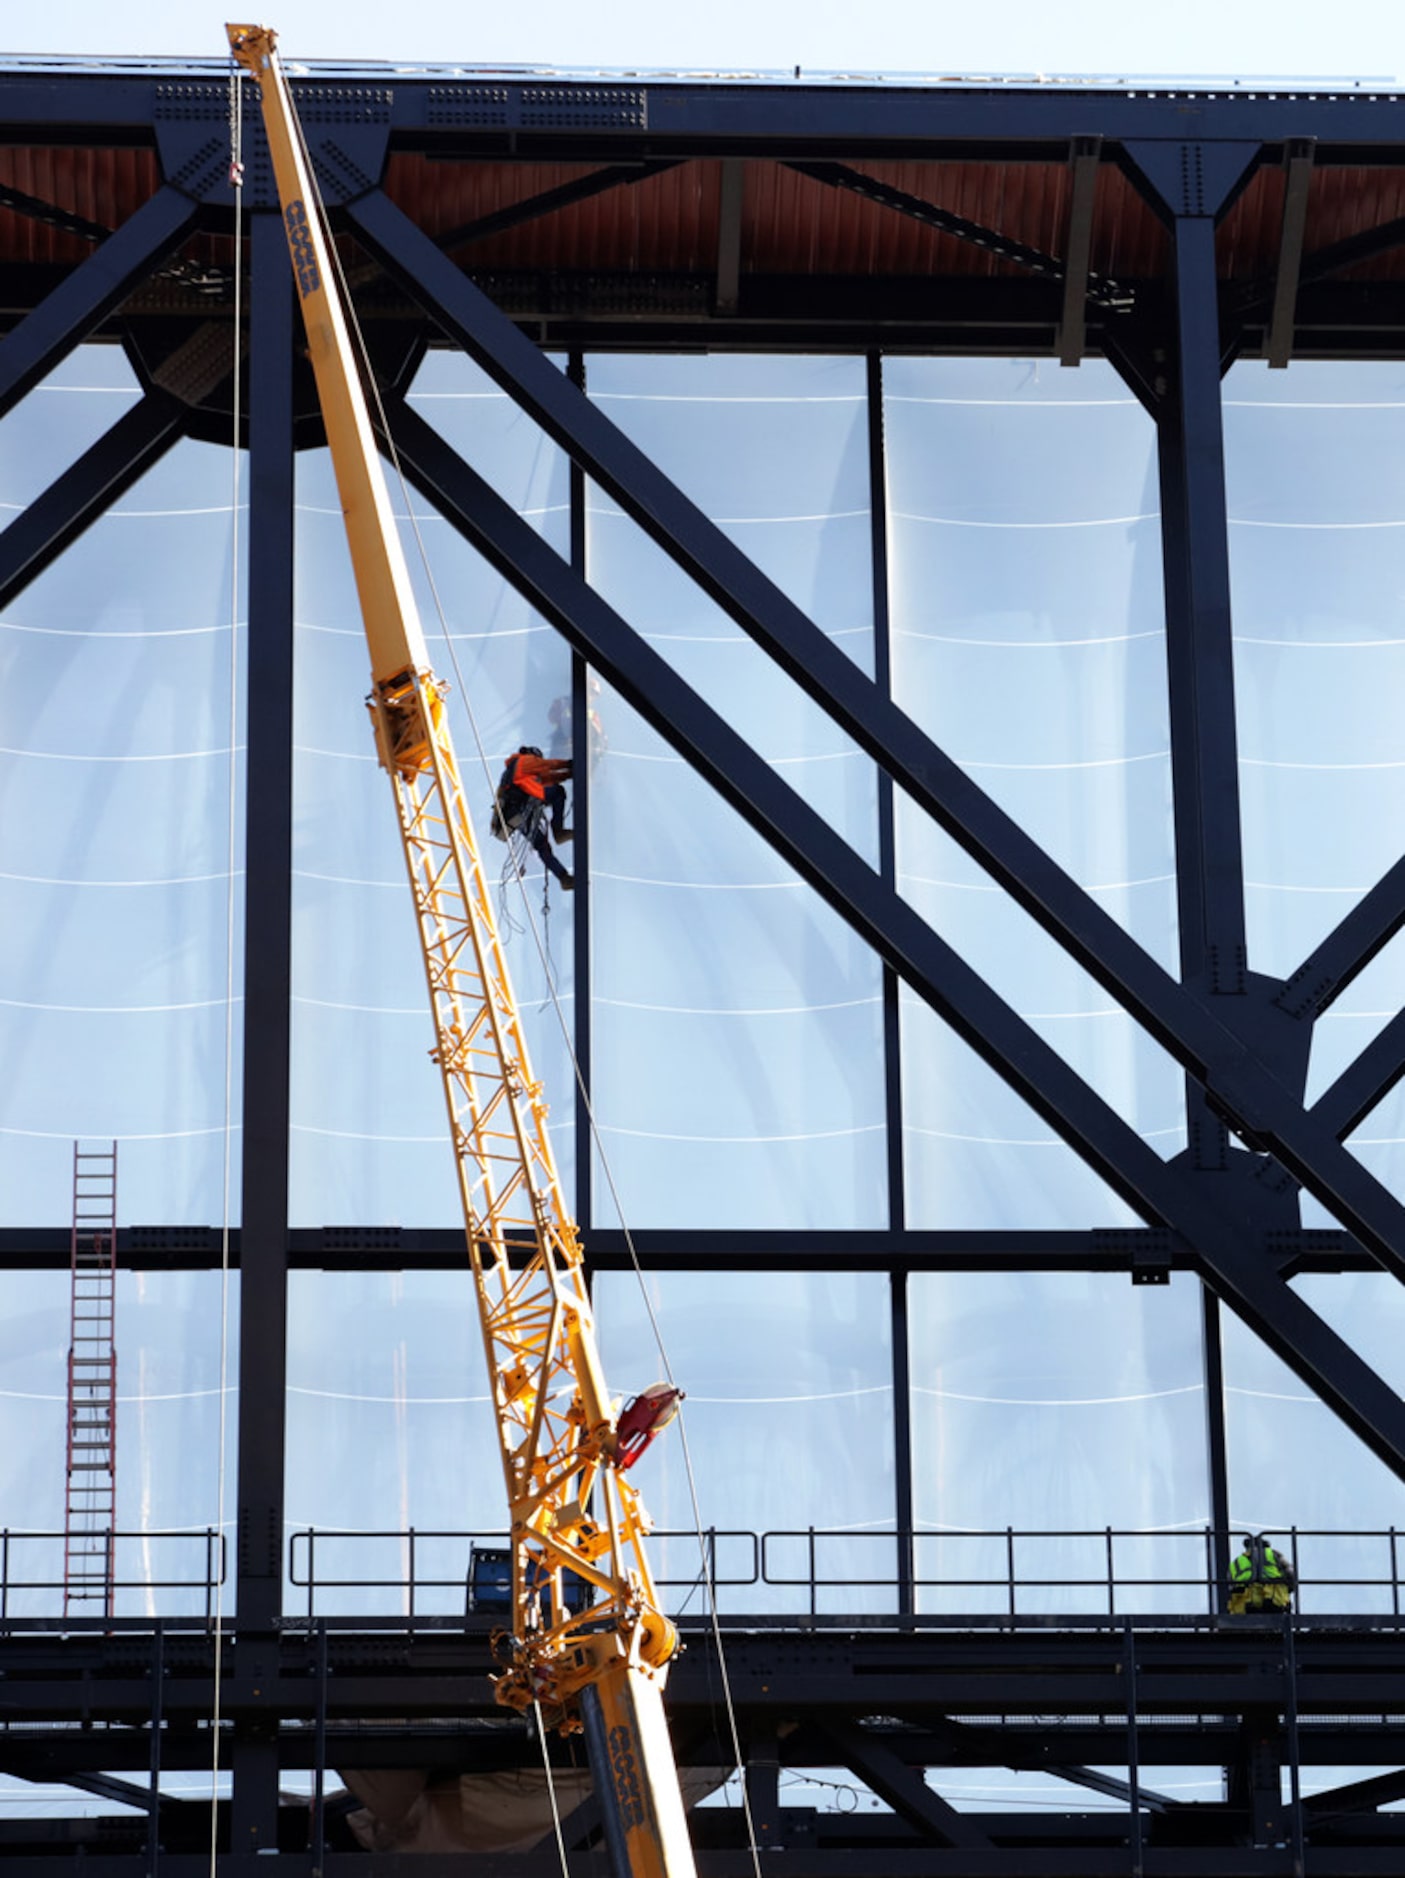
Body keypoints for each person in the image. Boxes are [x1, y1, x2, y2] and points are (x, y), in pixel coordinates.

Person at [491, 746, 574, 891]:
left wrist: (567, 774)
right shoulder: (524, 761)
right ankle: (558, 831)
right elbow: (548, 766)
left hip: (515, 815)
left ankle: (563, 878)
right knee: (558, 792)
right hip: (522, 805)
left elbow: (547, 778)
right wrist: (569, 764)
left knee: (542, 847)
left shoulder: (512, 772)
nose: (538, 761)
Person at [1228, 1533, 1296, 1613]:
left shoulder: (1236, 1563)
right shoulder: (1273, 1554)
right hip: (1273, 1599)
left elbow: (1229, 1587)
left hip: (1246, 1604)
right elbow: (1291, 1574)